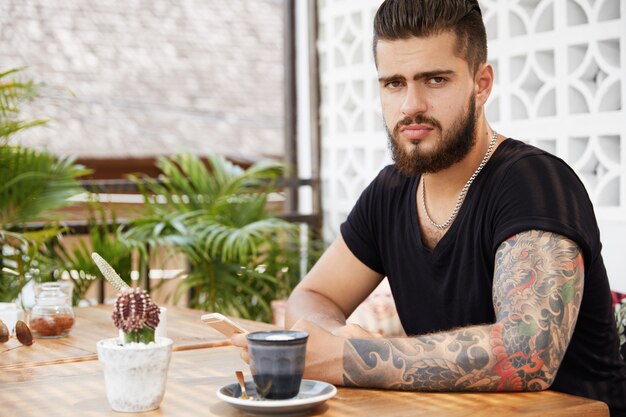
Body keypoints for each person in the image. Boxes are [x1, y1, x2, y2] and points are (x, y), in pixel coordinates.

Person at [232, 0, 626, 414]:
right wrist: (334, 336)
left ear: (482, 83)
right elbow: (312, 295)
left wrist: (349, 358)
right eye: (393, 83)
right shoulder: (390, 192)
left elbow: (526, 354)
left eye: (434, 79)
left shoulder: (533, 182)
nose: (410, 105)